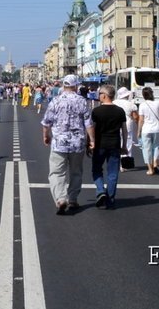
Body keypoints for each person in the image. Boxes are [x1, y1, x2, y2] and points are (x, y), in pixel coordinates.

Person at [41, 75, 94, 215]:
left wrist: (46, 136)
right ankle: (73, 199)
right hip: (78, 143)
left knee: (57, 172)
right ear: (76, 86)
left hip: (59, 143)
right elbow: (88, 124)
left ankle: (60, 199)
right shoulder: (82, 101)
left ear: (63, 86)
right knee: (76, 172)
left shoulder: (55, 101)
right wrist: (92, 140)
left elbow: (47, 122)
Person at [90, 85, 128, 209]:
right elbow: (124, 130)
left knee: (96, 169)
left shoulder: (96, 111)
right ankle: (110, 199)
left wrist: (90, 142)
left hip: (100, 145)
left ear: (105, 95)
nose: (99, 95)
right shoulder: (120, 111)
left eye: (100, 93)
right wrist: (124, 146)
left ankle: (101, 191)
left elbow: (93, 128)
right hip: (115, 144)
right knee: (113, 173)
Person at [137, 87, 159, 175]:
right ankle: (155, 162)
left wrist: (138, 131)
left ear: (143, 95)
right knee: (156, 147)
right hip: (157, 129)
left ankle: (150, 169)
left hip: (146, 129)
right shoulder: (157, 103)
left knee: (146, 149)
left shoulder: (142, 105)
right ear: (152, 94)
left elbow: (141, 120)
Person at [112, 87, 139, 170]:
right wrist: (139, 126)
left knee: (116, 143)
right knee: (127, 143)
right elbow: (135, 117)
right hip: (127, 124)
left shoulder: (114, 103)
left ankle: (116, 163)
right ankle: (125, 164)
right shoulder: (130, 104)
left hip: (115, 124)